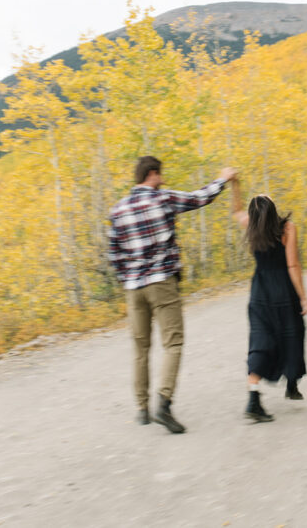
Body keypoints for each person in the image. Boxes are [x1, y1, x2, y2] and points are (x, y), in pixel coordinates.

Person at [107, 156, 237, 434]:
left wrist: (127, 278)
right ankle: (163, 403)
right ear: (152, 174)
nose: (163, 179)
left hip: (133, 289)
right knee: (173, 343)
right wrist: (223, 179)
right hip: (161, 282)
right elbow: (200, 197)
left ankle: (142, 408)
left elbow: (114, 254)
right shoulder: (162, 198)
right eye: (161, 174)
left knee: (140, 348)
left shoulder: (117, 210)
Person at [231, 180, 307, 423]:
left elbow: (236, 211)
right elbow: (292, 265)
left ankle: (253, 399)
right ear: (273, 208)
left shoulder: (250, 227)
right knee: (293, 333)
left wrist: (234, 184)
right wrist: (303, 297)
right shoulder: (287, 228)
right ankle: (292, 383)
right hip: (283, 291)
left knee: (260, 341)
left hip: (259, 293)